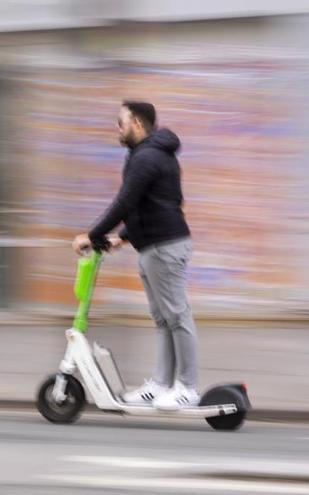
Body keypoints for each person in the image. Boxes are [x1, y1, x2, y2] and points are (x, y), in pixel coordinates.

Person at [72, 101, 199, 411]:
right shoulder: (149, 155)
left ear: (138, 125)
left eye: (121, 122)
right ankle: (160, 384)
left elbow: (125, 202)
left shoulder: (148, 157)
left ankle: (187, 387)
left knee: (177, 316)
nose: (118, 128)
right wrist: (122, 238)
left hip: (165, 247)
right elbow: (157, 203)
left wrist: (91, 234)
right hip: (153, 246)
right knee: (163, 319)